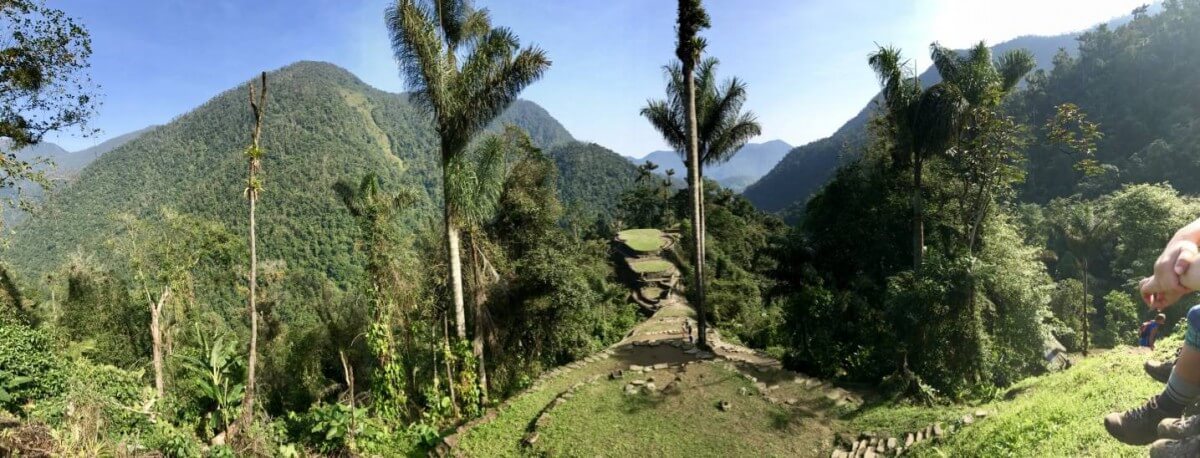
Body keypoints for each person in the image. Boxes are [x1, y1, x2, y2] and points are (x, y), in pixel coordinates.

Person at [1105, 217, 1200, 456]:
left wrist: (1179, 276)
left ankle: (1174, 395)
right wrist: (1183, 240)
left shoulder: (1152, 325)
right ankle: (1169, 403)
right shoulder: (1150, 325)